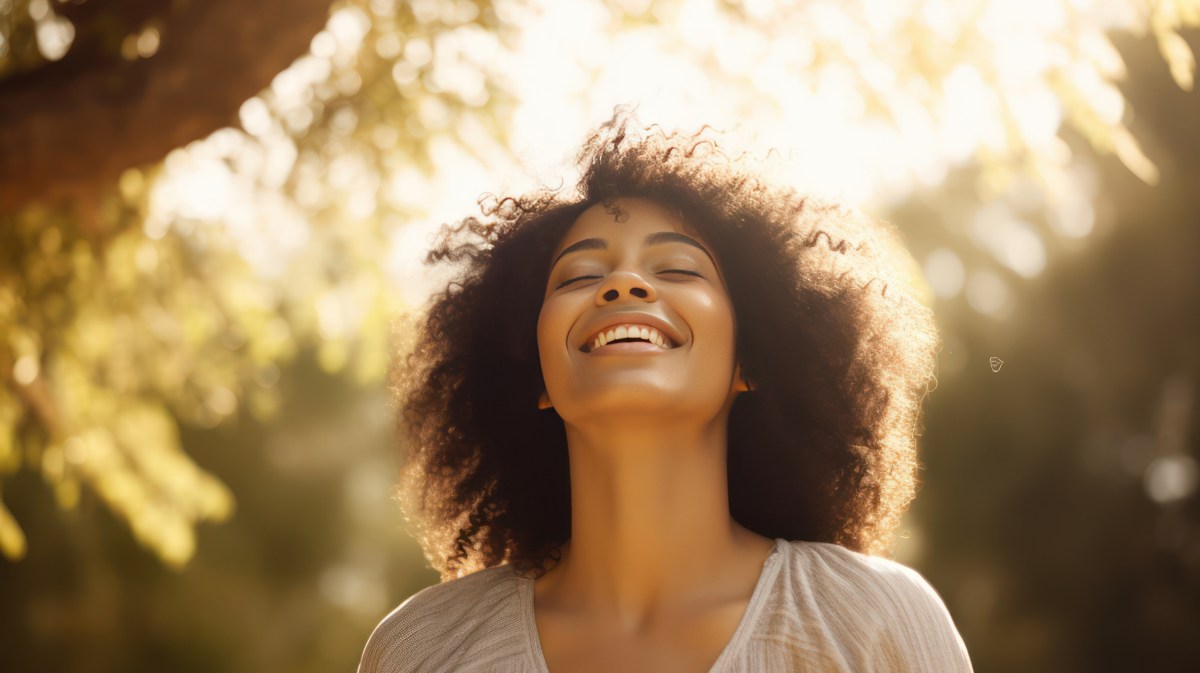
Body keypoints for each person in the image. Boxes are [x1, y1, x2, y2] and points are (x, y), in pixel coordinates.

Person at [358, 105, 974, 672]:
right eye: (579, 275)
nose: (623, 284)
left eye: (678, 268)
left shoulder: (873, 621)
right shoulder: (424, 648)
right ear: (535, 375)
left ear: (751, 360)